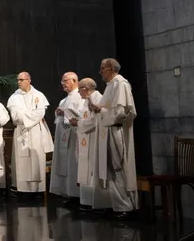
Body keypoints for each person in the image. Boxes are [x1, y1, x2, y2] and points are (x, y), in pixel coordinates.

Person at [95, 58, 138, 219]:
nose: (100, 72)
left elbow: (121, 112)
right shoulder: (111, 85)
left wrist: (101, 112)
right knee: (111, 169)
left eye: (102, 68)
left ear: (111, 69)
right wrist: (98, 109)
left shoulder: (121, 84)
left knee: (118, 167)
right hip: (108, 131)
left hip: (116, 130)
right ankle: (117, 205)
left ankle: (125, 206)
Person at [6, 71, 53, 197]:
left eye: (21, 80)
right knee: (22, 161)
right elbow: (15, 116)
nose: (19, 82)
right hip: (21, 131)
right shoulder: (14, 97)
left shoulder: (39, 95)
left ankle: (37, 190)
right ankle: (22, 190)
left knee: (36, 158)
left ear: (29, 80)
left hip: (36, 131)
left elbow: (40, 113)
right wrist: (30, 116)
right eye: (18, 80)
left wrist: (25, 117)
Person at [75, 78, 110, 211]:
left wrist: (78, 123)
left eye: (79, 89)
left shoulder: (98, 99)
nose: (78, 92)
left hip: (94, 140)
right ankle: (87, 201)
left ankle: (97, 203)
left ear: (86, 89)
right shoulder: (87, 101)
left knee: (93, 170)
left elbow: (94, 120)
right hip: (85, 139)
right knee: (86, 168)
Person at [50, 72, 85, 202]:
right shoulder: (63, 100)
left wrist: (65, 113)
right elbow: (60, 118)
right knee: (65, 164)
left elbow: (83, 114)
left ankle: (76, 194)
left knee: (73, 164)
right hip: (64, 135)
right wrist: (59, 113)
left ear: (75, 81)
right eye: (62, 81)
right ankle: (66, 192)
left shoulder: (81, 96)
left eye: (66, 81)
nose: (63, 83)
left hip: (75, 135)